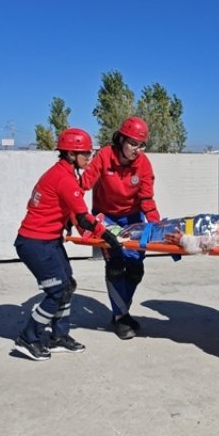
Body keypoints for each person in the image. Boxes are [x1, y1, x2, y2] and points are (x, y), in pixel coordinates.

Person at [12, 127, 124, 361]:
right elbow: (83, 217)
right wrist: (110, 239)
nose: (89, 157)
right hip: (35, 243)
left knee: (67, 285)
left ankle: (59, 337)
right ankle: (28, 337)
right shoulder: (64, 178)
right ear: (71, 154)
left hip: (48, 240)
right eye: (85, 153)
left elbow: (68, 212)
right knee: (56, 291)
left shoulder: (62, 173)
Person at [79, 116, 161, 340]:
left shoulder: (143, 164)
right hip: (106, 217)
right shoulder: (104, 156)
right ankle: (121, 318)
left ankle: (121, 313)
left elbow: (147, 199)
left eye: (141, 145)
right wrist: (71, 210)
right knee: (116, 264)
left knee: (135, 267)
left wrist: (157, 226)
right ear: (122, 139)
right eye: (133, 143)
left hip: (133, 217)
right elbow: (83, 184)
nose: (137, 149)